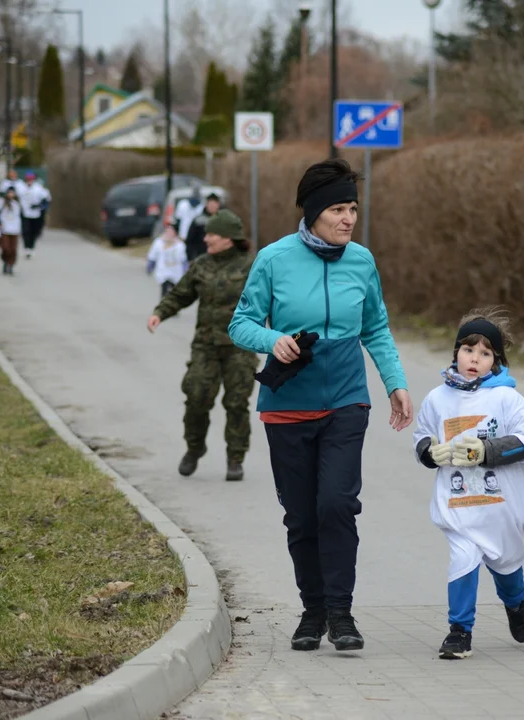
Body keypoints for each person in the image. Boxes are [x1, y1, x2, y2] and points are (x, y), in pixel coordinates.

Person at [228, 158, 412, 654]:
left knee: (336, 504)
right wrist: (273, 338)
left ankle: (341, 612)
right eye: (337, 208)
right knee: (302, 515)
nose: (348, 218)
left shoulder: (361, 261)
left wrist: (394, 382)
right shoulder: (273, 259)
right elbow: (240, 323)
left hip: (346, 400)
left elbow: (374, 326)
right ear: (312, 212)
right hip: (288, 404)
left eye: (353, 208)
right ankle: (312, 611)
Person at [412, 308, 524, 660]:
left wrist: (485, 450)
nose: (475, 359)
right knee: (463, 559)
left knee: (507, 566)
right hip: (457, 504)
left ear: (495, 361)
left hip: (501, 507)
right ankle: (460, 631)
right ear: (456, 352)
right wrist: (429, 452)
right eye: (469, 350)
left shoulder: (507, 399)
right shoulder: (437, 399)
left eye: (485, 353)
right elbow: (421, 436)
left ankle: (516, 605)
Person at [146, 209, 257, 482]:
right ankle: (195, 447)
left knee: (236, 402)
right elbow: (181, 294)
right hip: (206, 345)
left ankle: (235, 458)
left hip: (240, 347)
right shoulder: (201, 265)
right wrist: (160, 312)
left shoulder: (253, 266)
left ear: (229, 239)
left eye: (212, 234)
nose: (205, 238)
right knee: (196, 397)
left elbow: (275, 299)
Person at [146, 220, 189, 299]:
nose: (169, 233)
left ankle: (173, 308)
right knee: (164, 290)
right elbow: (153, 255)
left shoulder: (179, 244)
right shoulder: (159, 242)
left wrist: (186, 270)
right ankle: (164, 307)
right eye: (167, 231)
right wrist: (150, 265)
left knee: (175, 292)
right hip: (163, 270)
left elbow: (183, 259)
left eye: (171, 231)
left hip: (176, 271)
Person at [19, 172, 50, 259]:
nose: (29, 181)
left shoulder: (38, 188)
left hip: (35, 214)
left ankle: (32, 247)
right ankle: (26, 248)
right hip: (25, 213)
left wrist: (38, 206)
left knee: (34, 232)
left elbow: (45, 200)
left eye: (31, 179)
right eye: (28, 179)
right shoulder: (21, 188)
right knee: (26, 231)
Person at [184, 192, 221, 261]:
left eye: (214, 203)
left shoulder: (223, 220)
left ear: (218, 205)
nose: (212, 206)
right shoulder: (198, 221)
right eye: (210, 203)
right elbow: (190, 241)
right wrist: (191, 257)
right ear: (206, 204)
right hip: (202, 256)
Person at [0, 186, 23, 275]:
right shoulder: (2, 203)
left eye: (12, 193)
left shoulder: (17, 204)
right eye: (9, 192)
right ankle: (5, 261)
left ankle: (11, 265)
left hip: (14, 229)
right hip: (5, 229)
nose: (10, 194)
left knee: (13, 249)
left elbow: (19, 217)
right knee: (6, 248)